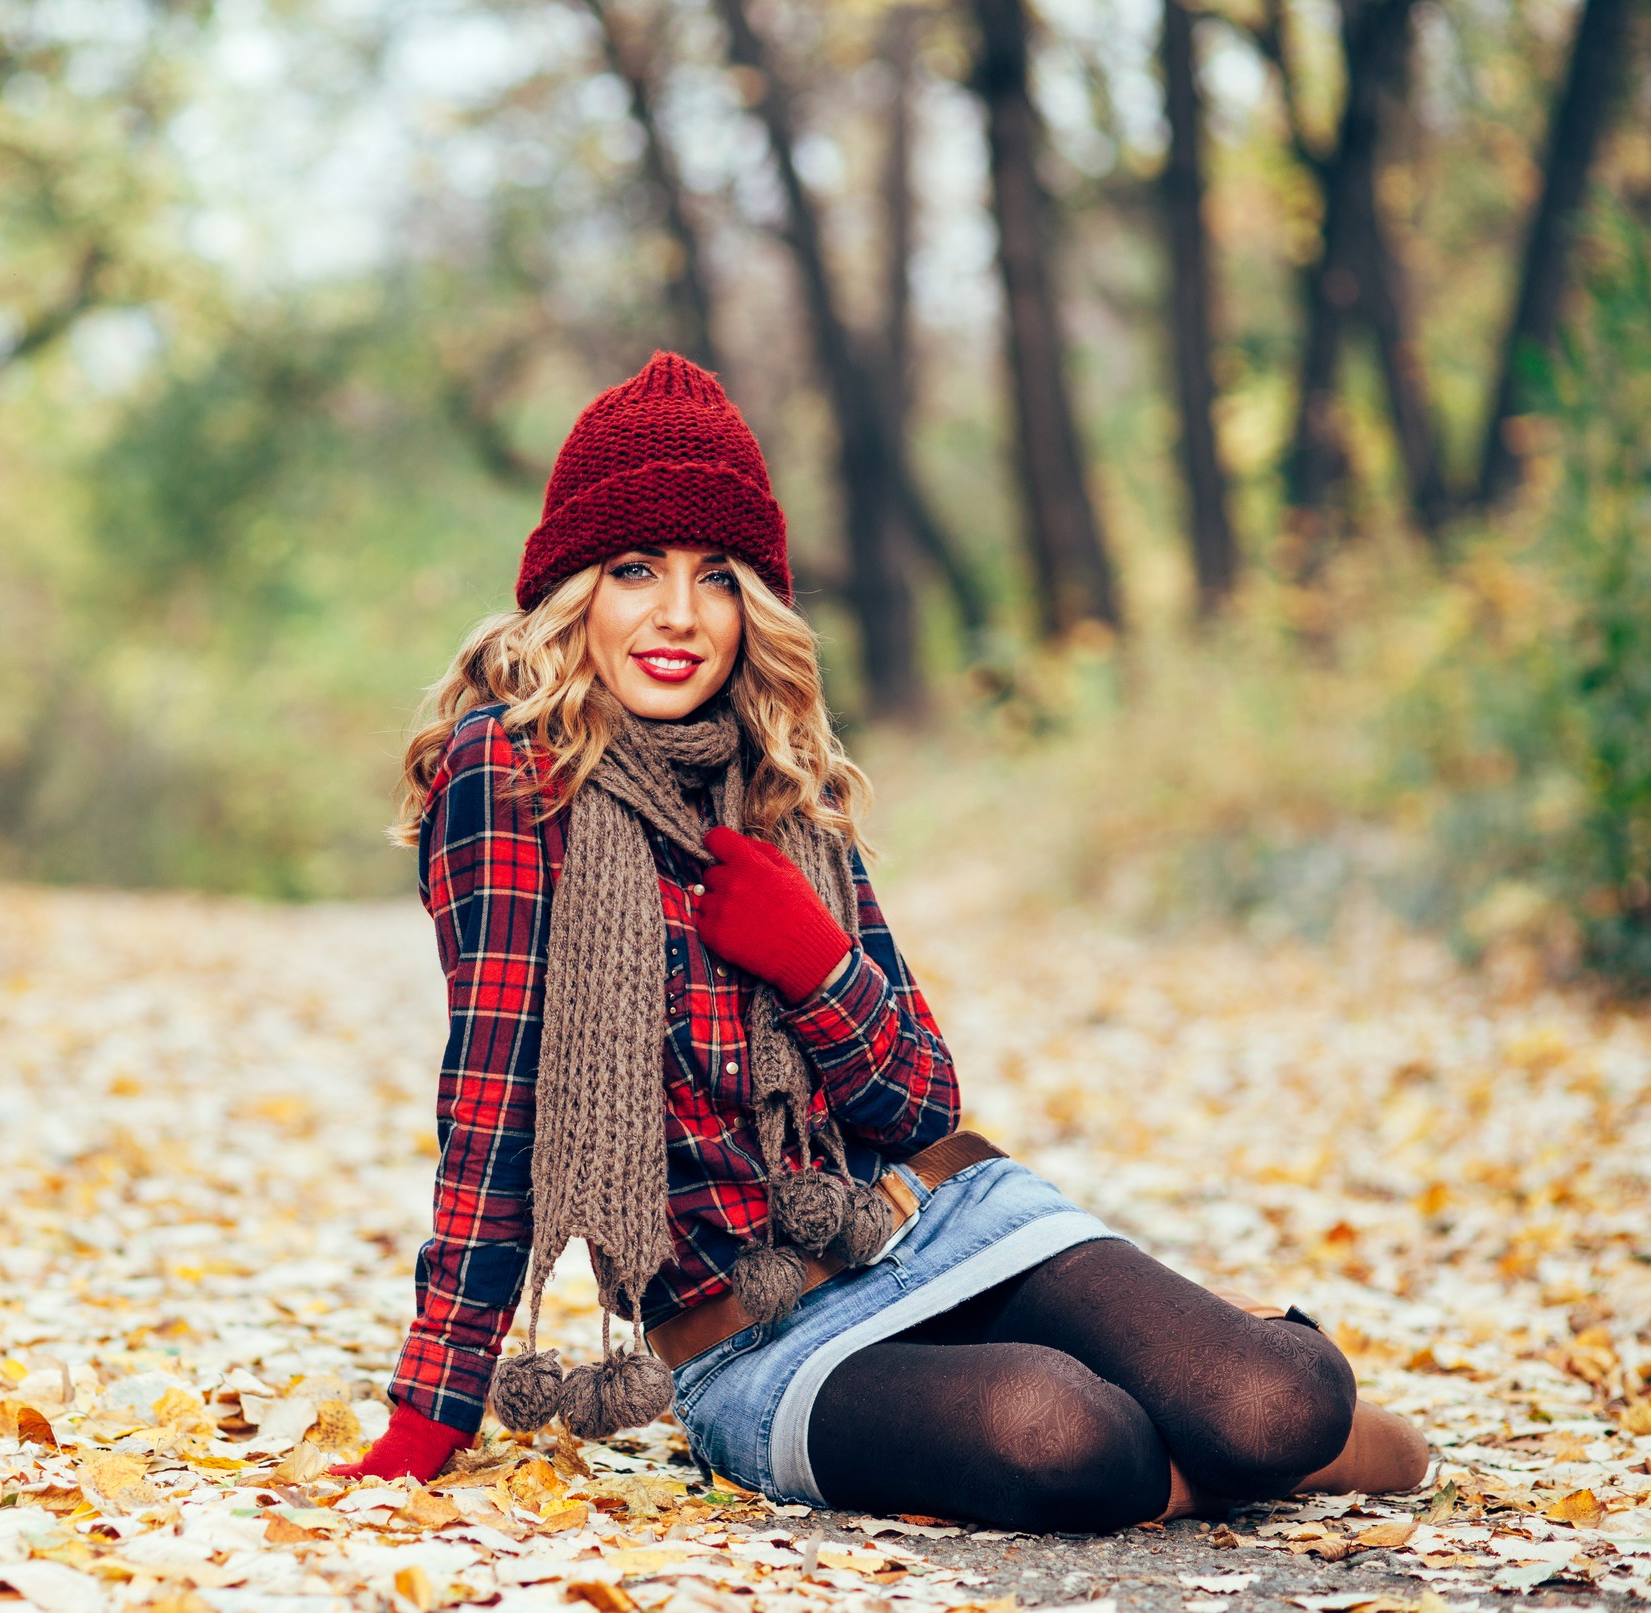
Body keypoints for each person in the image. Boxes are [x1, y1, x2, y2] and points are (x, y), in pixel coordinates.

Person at [331, 353, 1427, 1530]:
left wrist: (810, 962)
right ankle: (1190, 1431)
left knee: (1279, 1400)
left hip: (943, 1218)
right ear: (573, 589)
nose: (680, 616)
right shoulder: (505, 774)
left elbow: (920, 1101)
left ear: (758, 602)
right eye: (636, 569)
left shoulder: (781, 779)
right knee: (1063, 1437)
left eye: (719, 576)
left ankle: (1263, 1434)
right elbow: (492, 1100)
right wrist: (430, 1408)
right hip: (757, 1336)